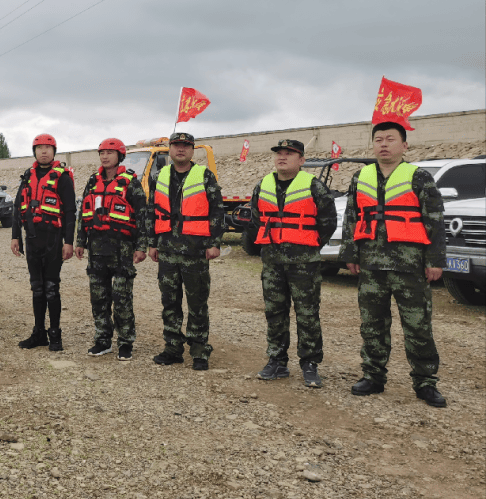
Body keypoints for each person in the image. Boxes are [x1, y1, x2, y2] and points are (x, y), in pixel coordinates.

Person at [339, 122, 447, 408]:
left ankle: (425, 383)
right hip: (371, 266)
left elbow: (435, 221)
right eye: (378, 139)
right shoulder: (359, 177)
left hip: (409, 266)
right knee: (372, 325)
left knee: (418, 326)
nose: (383, 144)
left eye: (390, 139)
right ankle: (373, 376)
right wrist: (349, 254)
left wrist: (435, 261)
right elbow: (351, 217)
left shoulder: (420, 177)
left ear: (404, 145)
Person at [244, 139, 337, 387]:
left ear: (302, 160)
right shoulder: (261, 185)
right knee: (275, 313)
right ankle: (277, 361)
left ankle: (309, 364)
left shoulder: (315, 186)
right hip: (272, 262)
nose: (282, 157)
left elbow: (328, 222)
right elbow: (255, 221)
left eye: (289, 153)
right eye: (279, 153)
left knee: (307, 314)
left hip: (304, 262)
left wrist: (309, 244)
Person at [146, 132, 224, 370]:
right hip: (167, 250)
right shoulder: (159, 175)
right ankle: (172, 348)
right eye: (176, 145)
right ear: (169, 149)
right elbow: (151, 210)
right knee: (169, 302)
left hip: (196, 251)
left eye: (186, 146)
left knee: (197, 302)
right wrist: (152, 242)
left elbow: (217, 210)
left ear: (192, 150)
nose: (181, 149)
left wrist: (214, 243)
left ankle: (199, 351)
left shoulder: (204, 175)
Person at [75, 138, 147, 360]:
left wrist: (141, 246)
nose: (105, 156)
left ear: (120, 155)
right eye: (102, 153)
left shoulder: (131, 183)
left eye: (109, 152)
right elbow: (83, 214)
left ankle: (126, 342)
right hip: (96, 248)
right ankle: (103, 339)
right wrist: (80, 241)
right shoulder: (92, 181)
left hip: (122, 249)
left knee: (122, 297)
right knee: (99, 297)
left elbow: (143, 217)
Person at [12, 134, 76, 352]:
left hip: (53, 239)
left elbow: (70, 212)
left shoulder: (62, 178)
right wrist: (15, 236)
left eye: (48, 148)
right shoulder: (26, 177)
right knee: (37, 289)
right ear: (34, 151)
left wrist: (69, 242)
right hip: (32, 239)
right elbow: (16, 208)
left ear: (54, 152)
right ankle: (38, 332)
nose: (44, 151)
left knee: (51, 288)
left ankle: (55, 334)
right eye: (39, 148)